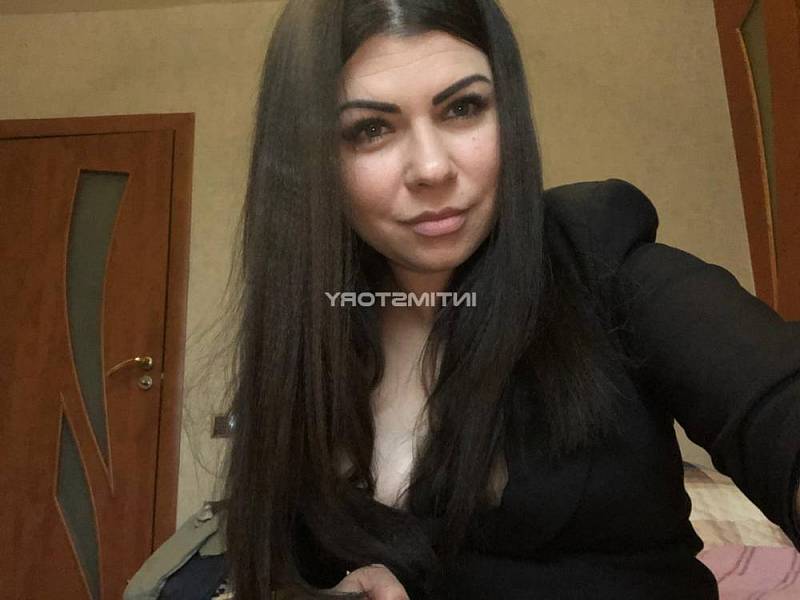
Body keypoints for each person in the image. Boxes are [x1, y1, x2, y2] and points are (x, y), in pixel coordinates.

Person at [144, 0, 800, 598]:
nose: (432, 168)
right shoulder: (312, 337)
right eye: (370, 129)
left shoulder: (601, 260)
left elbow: (774, 401)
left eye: (462, 108)